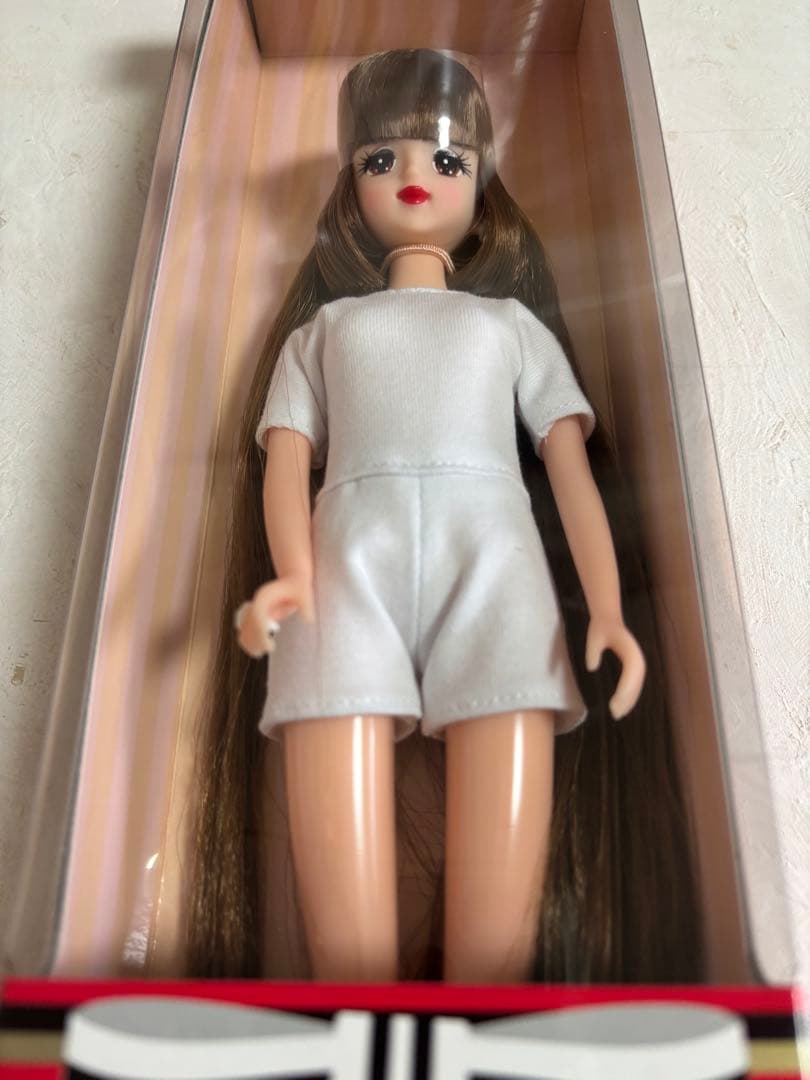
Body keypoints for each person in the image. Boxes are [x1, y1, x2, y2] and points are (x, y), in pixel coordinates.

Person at [187, 48, 702, 983]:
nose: (414, 178)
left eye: (447, 160)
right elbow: (284, 464)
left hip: (493, 556)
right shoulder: (324, 333)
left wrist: (609, 611)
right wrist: (292, 576)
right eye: (381, 160)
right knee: (333, 767)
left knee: (494, 901)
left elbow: (569, 471)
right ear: (352, 188)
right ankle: (353, 1010)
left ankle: (482, 1011)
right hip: (348, 559)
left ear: (480, 187)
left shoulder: (510, 327)